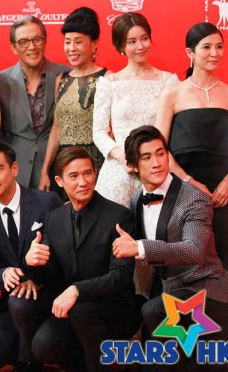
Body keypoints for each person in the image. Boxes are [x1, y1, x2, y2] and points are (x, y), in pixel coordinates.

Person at [155, 21, 228, 361]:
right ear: (190, 53)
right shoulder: (173, 94)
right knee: (188, 268)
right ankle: (188, 347)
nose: (214, 53)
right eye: (207, 47)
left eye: (219, 46)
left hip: (226, 196)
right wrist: (191, 183)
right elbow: (160, 150)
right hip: (186, 194)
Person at [113, 125, 228, 368]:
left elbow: (194, 251)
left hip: (206, 287)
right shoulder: (137, 199)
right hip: (170, 289)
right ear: (133, 165)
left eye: (161, 153)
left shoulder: (194, 198)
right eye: (147, 157)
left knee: (153, 311)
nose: (157, 163)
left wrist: (140, 247)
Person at [24, 146, 141, 372]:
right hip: (74, 307)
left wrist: (77, 290)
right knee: (43, 346)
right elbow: (52, 275)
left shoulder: (119, 216)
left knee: (82, 312)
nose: (83, 182)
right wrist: (32, 263)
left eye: (88, 173)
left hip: (114, 307)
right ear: (59, 181)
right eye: (74, 176)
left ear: (95, 173)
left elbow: (121, 276)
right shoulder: (54, 218)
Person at [0, 141, 62, 372]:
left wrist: (35, 276)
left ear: (14, 169)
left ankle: (28, 362)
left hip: (50, 294)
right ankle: (28, 345)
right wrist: (2, 273)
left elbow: (62, 254)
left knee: (22, 304)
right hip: (13, 300)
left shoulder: (47, 201)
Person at [93, 12, 179, 208]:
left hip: (157, 170)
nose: (140, 46)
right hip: (120, 172)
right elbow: (98, 132)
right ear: (121, 46)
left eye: (144, 38)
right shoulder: (109, 83)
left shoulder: (168, 81)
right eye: (132, 41)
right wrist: (123, 158)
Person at [38, 7, 108, 195]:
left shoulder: (108, 78)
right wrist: (45, 170)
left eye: (78, 42)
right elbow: (57, 128)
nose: (71, 48)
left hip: (95, 162)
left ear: (94, 44)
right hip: (65, 163)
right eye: (67, 42)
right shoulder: (61, 80)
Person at [0, 15, 71, 189]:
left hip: (58, 168)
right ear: (13, 47)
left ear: (45, 41)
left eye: (37, 39)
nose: (32, 47)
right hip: (16, 169)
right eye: (23, 42)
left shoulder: (66, 75)